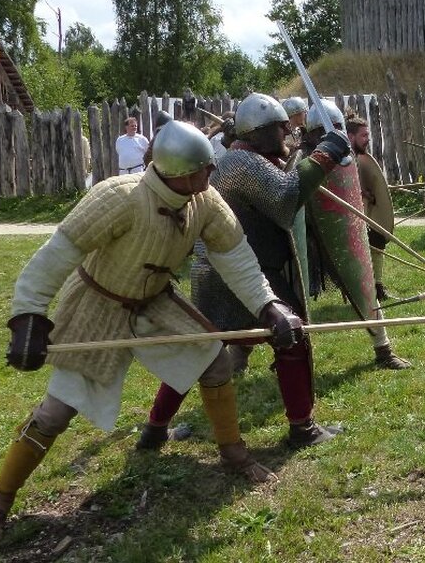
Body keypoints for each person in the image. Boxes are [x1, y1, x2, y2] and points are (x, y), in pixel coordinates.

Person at [0, 120, 298, 551]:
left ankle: (233, 453)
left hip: (155, 301)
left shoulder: (205, 201)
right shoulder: (118, 197)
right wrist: (28, 315)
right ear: (178, 171)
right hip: (96, 305)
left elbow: (236, 258)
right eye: (202, 169)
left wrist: (268, 307)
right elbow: (57, 255)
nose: (209, 177)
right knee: (55, 414)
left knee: (214, 359)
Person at [137, 94, 354, 455]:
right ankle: (303, 428)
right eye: (280, 126)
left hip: (229, 271)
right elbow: (285, 199)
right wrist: (325, 155)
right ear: (260, 131)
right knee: (291, 339)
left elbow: (280, 181)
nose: (288, 129)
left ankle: (155, 430)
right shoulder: (239, 163)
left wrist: (311, 149)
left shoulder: (248, 158)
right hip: (241, 275)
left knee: (198, 351)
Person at [302, 102, 410, 369]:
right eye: (326, 130)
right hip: (306, 240)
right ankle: (285, 353)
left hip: (343, 235)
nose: (333, 134)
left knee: (365, 286)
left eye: (337, 128)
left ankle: (383, 350)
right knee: (289, 299)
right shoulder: (301, 160)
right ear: (311, 134)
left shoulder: (345, 159)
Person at [346, 112, 394, 302]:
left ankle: (377, 286)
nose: (367, 139)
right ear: (351, 137)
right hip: (350, 216)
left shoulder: (362, 158)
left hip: (368, 214)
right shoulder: (343, 159)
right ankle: (364, 289)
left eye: (368, 135)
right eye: (363, 135)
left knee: (377, 244)